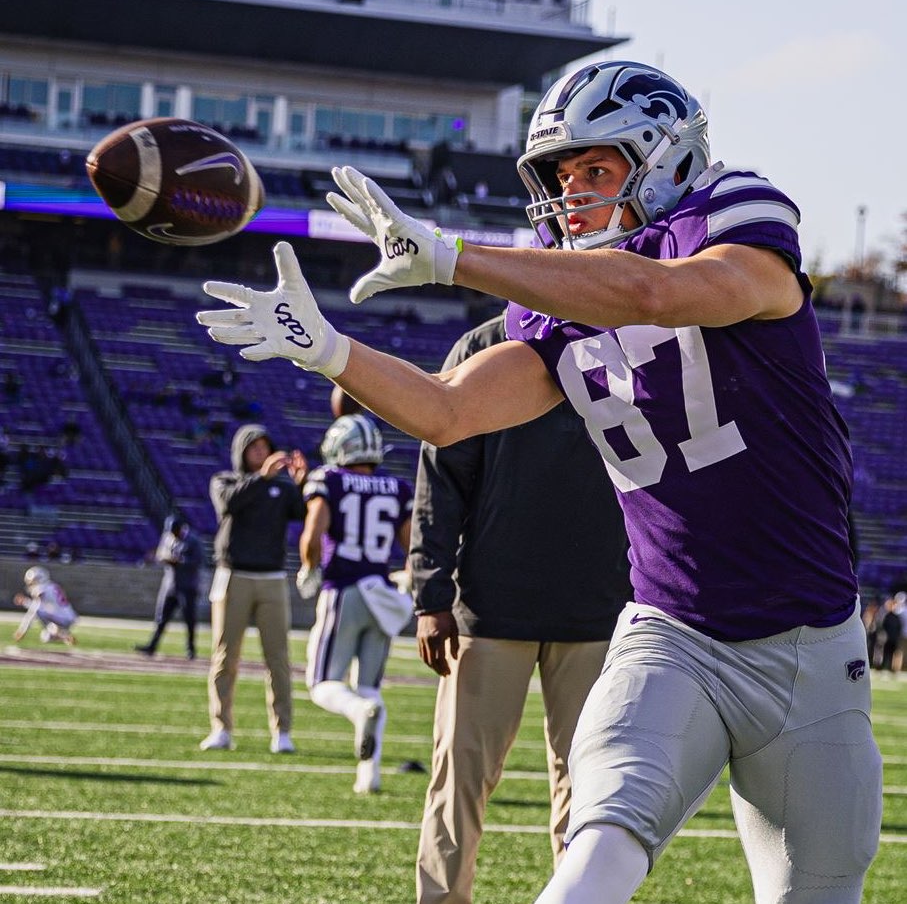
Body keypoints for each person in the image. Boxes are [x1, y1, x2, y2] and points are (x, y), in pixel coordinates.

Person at [197, 60, 883, 903]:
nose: (572, 194)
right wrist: (330, 350)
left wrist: (455, 257)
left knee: (817, 890)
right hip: (675, 634)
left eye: (594, 169)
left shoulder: (736, 214)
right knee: (599, 846)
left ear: (664, 158)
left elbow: (655, 293)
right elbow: (447, 412)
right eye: (562, 176)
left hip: (812, 648)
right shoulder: (557, 299)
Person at [411, 311, 630, 904]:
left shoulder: (633, 339)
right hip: (491, 606)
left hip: (600, 609)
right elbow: (440, 476)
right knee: (459, 785)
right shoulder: (483, 344)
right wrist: (431, 594)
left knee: (592, 792)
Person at [299, 413, 413, 794]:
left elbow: (313, 531)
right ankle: (370, 776)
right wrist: (410, 578)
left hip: (344, 591)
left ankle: (355, 711)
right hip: (380, 595)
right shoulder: (397, 487)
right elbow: (413, 544)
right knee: (370, 686)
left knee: (322, 684)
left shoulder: (329, 479)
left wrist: (309, 567)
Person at [200, 422, 307, 754]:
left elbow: (304, 512)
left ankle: (283, 731)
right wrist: (262, 478)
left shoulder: (281, 488)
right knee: (225, 656)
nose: (262, 453)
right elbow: (229, 504)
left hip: (272, 578)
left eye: (265, 446)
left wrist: (303, 485)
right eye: (254, 448)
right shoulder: (225, 481)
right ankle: (221, 727)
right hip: (233, 576)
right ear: (241, 452)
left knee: (278, 658)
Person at [135, 514, 204, 660]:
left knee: (189, 619)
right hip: (170, 585)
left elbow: (198, 561)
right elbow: (161, 554)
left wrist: (179, 561)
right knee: (161, 617)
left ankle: (191, 649)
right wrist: (162, 558)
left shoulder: (193, 540)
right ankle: (152, 646)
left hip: (187, 585)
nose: (173, 534)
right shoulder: (168, 538)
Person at [13, 565, 78, 645]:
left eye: (32, 582)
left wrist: (22, 630)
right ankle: (63, 635)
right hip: (68, 617)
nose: (30, 585)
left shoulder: (42, 589)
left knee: (38, 612)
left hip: (61, 618)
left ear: (38, 579)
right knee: (45, 637)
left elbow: (35, 609)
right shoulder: (52, 586)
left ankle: (57, 630)